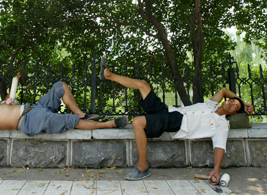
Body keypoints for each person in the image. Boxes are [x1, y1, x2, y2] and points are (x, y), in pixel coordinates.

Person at [99, 59, 254, 184]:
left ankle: (142, 167)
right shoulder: (211, 104)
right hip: (171, 112)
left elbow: (220, 147)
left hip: (179, 123)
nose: (231, 103)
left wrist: (216, 170)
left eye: (235, 106)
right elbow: (223, 91)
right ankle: (108, 75)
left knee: (138, 122)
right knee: (143, 85)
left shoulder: (222, 124)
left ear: (233, 113)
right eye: (232, 101)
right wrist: (244, 102)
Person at [0, 72, 128, 136]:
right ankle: (110, 124)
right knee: (68, 121)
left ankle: (81, 114)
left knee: (59, 86)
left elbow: (8, 98)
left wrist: (16, 79)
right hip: (30, 119)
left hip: (34, 108)